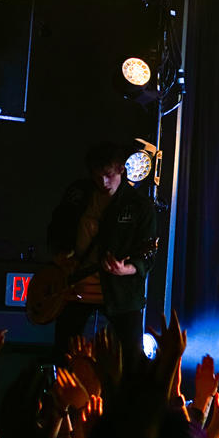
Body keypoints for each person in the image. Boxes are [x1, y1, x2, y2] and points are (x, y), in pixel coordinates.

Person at [47, 141, 157, 358]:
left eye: (109, 175)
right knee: (63, 354)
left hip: (120, 293)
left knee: (133, 357)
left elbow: (149, 253)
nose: (104, 182)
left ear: (121, 169)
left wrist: (127, 269)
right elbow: (56, 226)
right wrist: (58, 254)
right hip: (73, 287)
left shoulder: (140, 205)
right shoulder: (78, 192)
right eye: (98, 177)